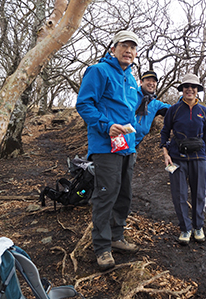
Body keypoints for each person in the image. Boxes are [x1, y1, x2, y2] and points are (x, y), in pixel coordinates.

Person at [76, 30, 140, 269]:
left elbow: (131, 112)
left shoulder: (132, 79)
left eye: (133, 47)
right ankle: (102, 248)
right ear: (113, 49)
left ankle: (117, 237)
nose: (129, 51)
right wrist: (106, 126)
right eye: (124, 45)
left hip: (127, 147)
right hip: (105, 146)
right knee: (106, 195)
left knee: (124, 195)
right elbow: (84, 103)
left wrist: (136, 137)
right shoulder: (99, 71)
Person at [160, 73, 206, 245]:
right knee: (179, 194)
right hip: (177, 158)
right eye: (186, 86)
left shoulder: (203, 111)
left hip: (198, 157)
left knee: (198, 194)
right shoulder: (173, 110)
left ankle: (198, 227)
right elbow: (165, 132)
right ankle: (185, 228)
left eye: (193, 87)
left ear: (197, 90)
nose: (190, 89)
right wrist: (166, 153)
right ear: (182, 90)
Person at [135, 70, 170, 149]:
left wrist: (185, 100)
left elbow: (174, 110)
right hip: (118, 139)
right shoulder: (131, 94)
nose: (151, 83)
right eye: (148, 80)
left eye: (154, 81)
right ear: (141, 82)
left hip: (135, 145)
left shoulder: (156, 104)